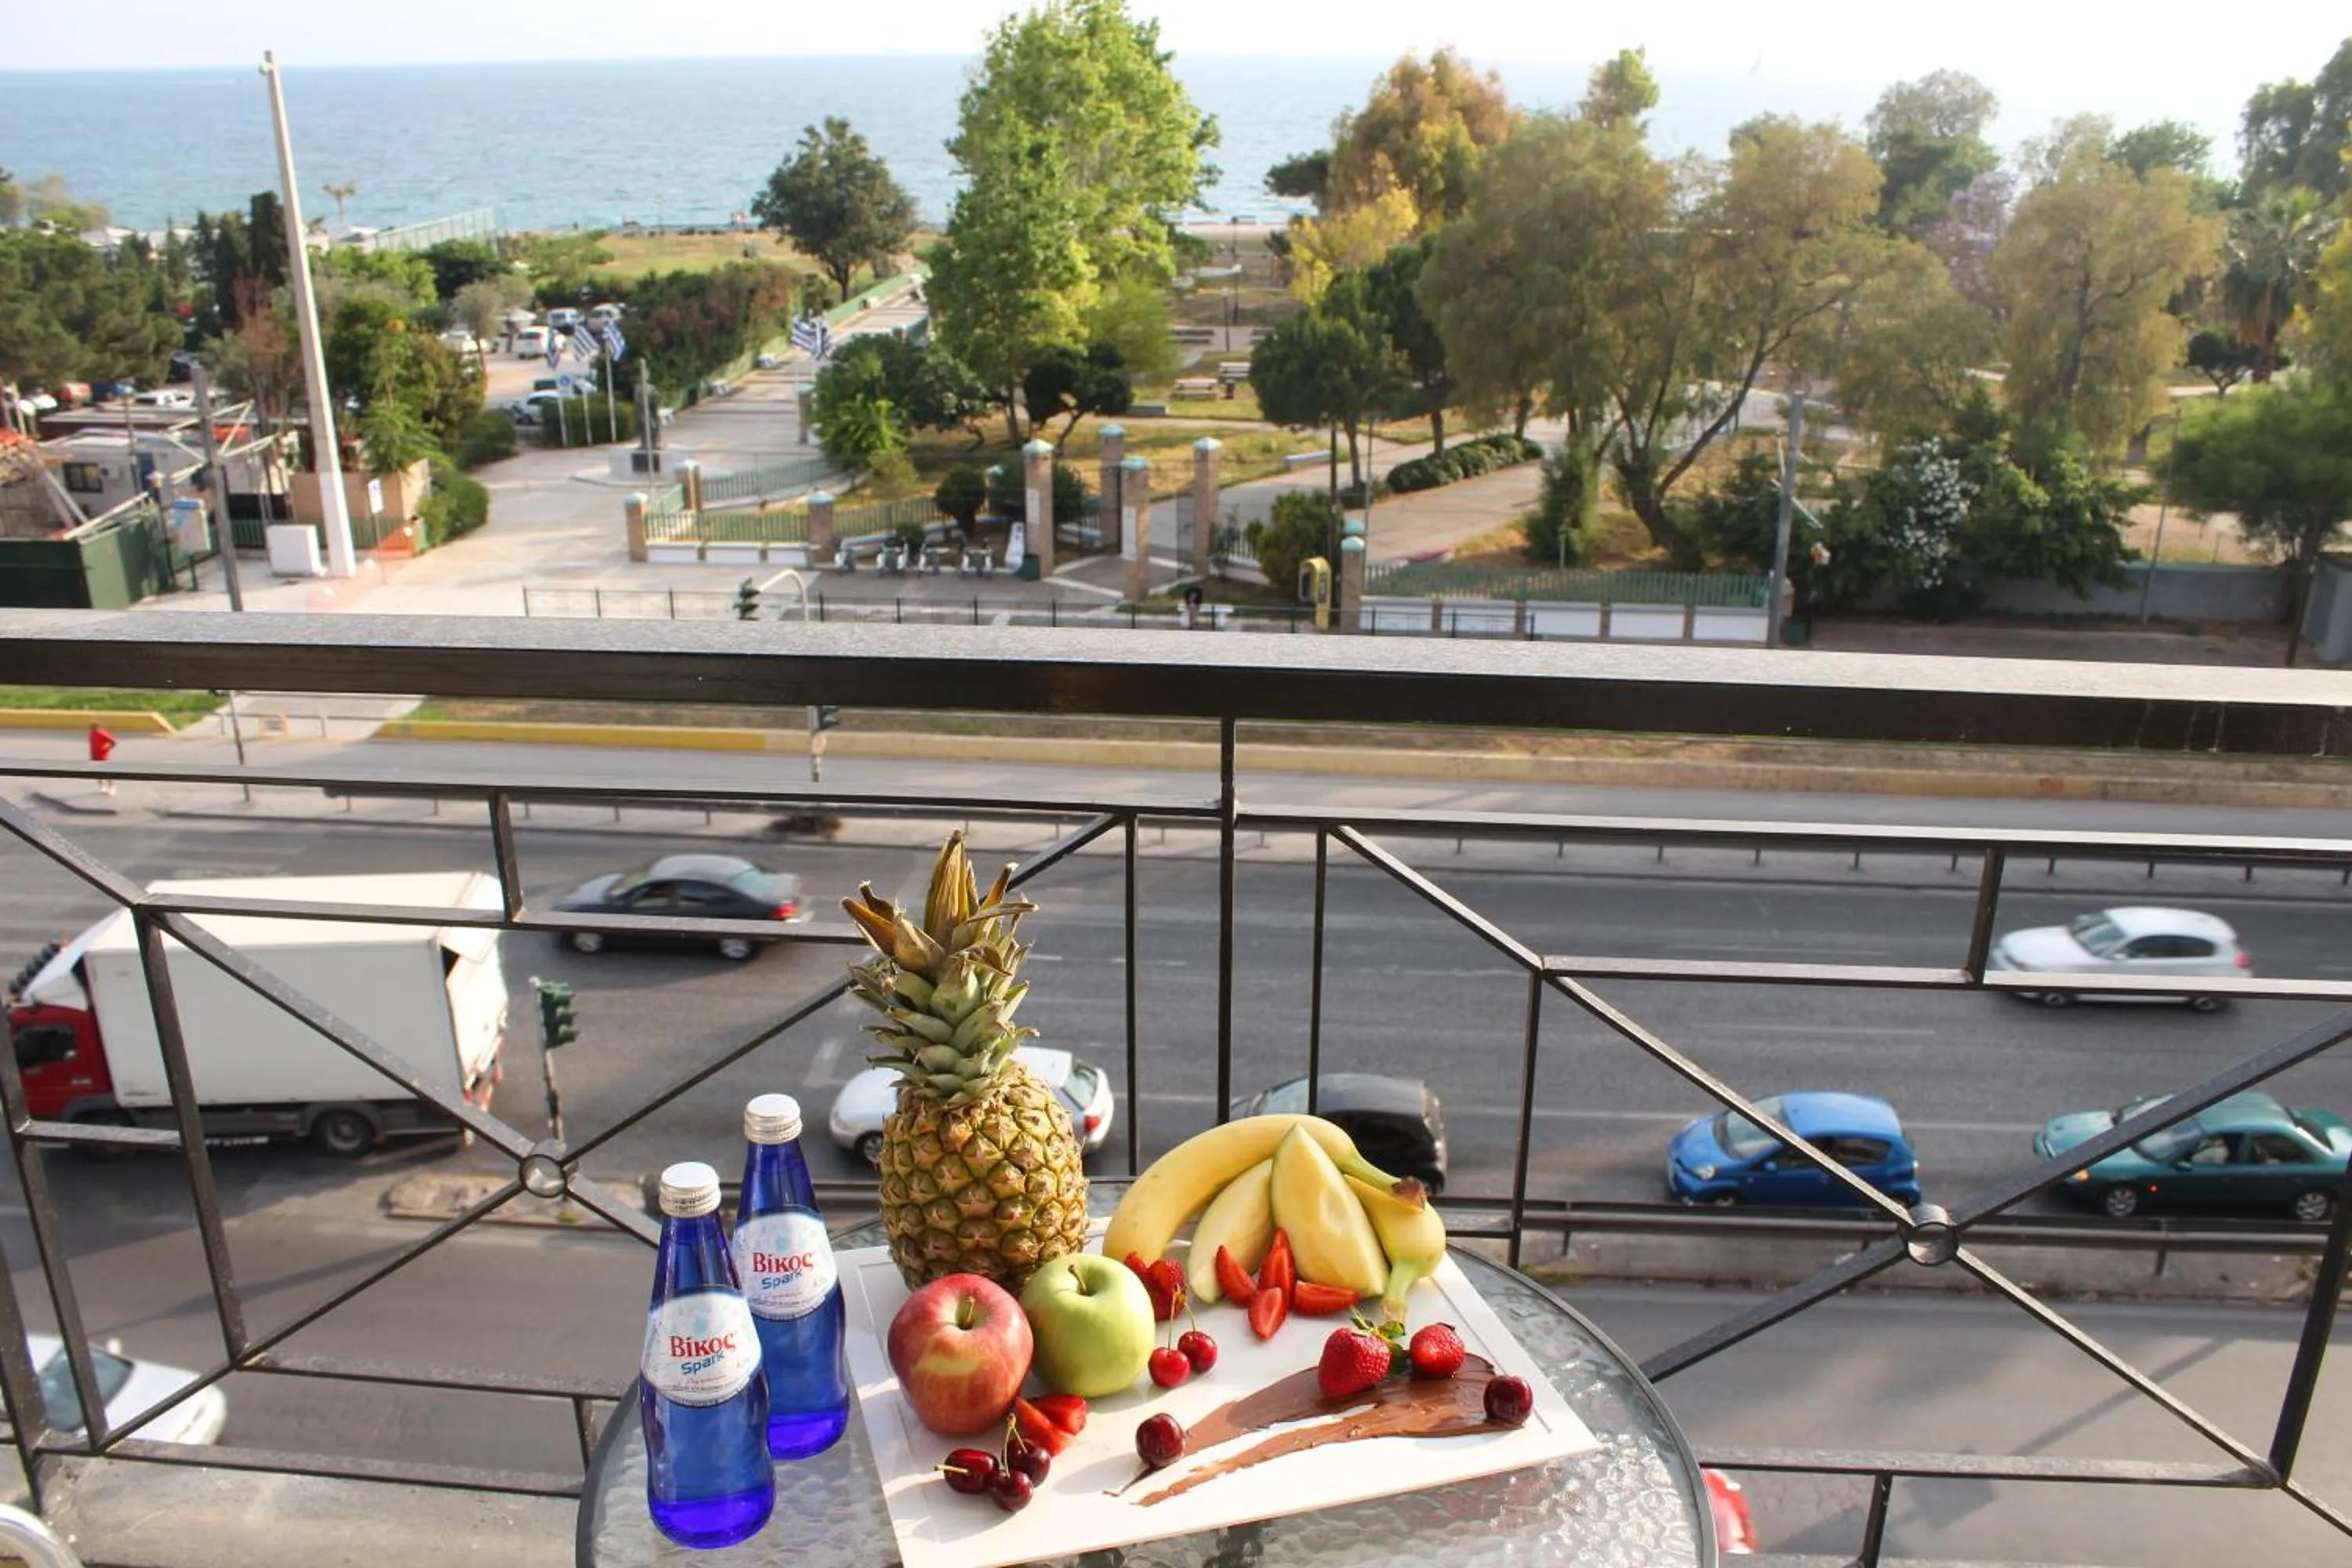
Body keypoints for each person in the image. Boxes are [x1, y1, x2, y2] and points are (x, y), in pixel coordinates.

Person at [87, 723, 118, 797]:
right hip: (95, 756)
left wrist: (107, 749)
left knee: (107, 773)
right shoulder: (91, 734)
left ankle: (112, 787)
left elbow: (114, 741)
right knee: (98, 773)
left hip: (103, 757)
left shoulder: (102, 733)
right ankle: (103, 787)